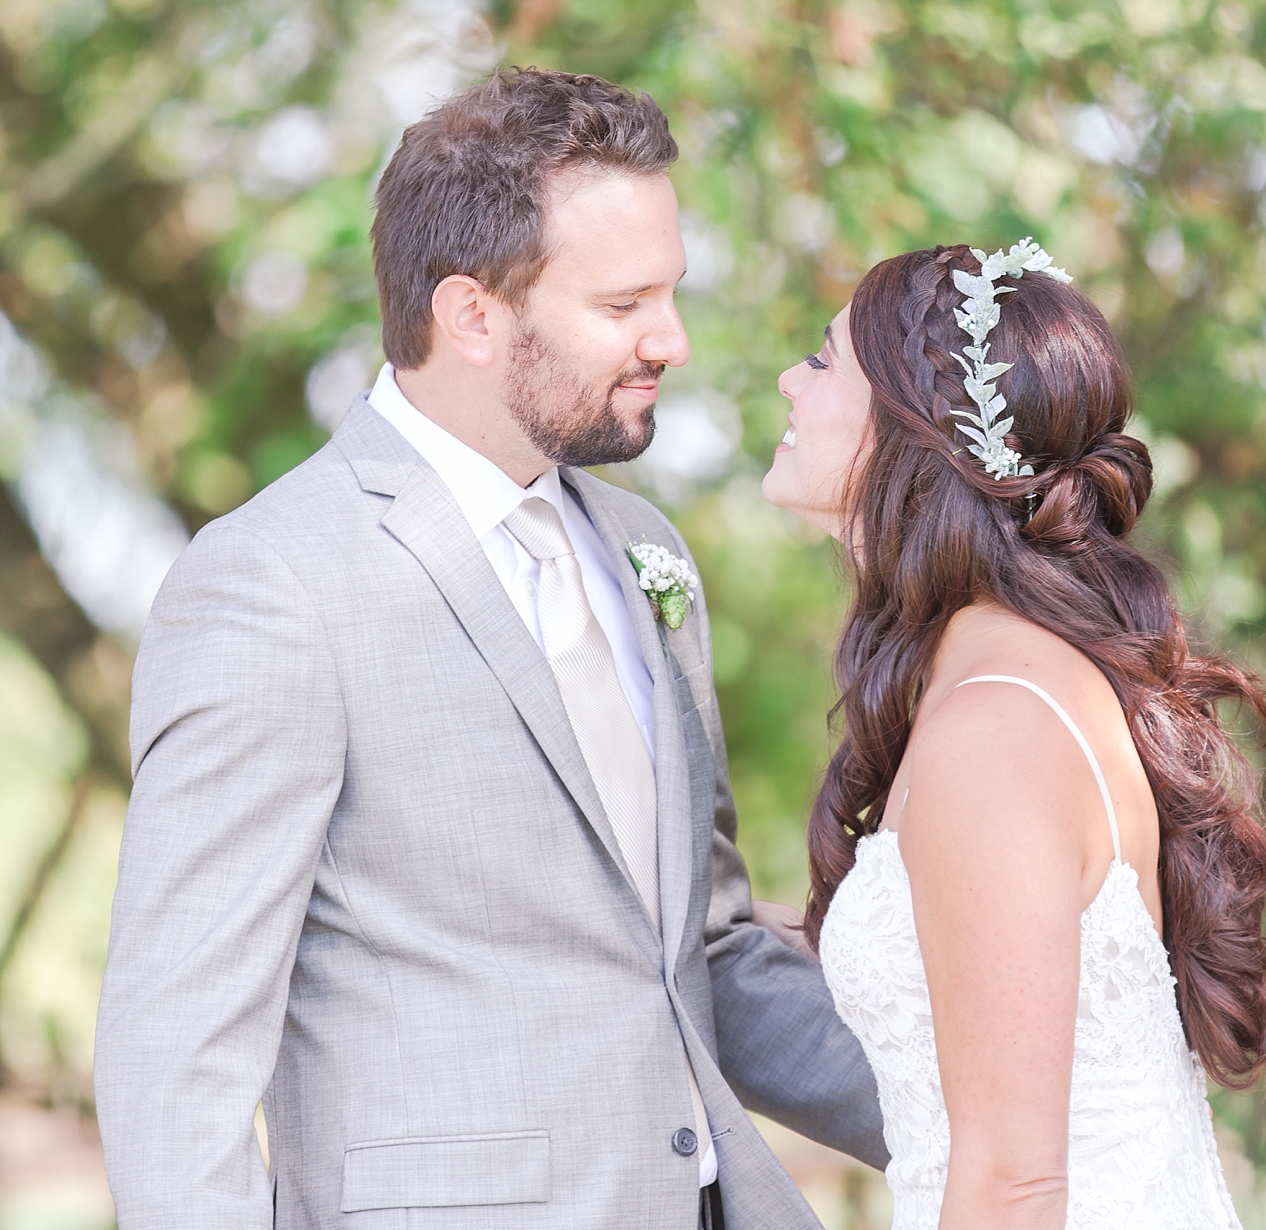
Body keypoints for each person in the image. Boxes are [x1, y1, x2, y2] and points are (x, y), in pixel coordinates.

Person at [94, 68, 887, 1230]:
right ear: (471, 314)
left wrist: (1003, 1110)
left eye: (669, 293)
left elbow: (700, 951)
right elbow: (177, 1046)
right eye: (622, 306)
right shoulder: (275, 584)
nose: (669, 338)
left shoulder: (643, 550)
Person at [757, 241, 1266, 1230]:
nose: (787, 383)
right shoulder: (994, 685)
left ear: (913, 430)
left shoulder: (995, 725)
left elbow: (1013, 1184)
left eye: (820, 358)